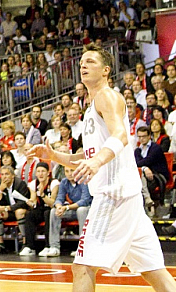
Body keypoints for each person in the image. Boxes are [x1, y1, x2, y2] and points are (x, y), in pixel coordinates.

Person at [29, 44, 176, 292]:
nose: (83, 65)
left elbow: (121, 135)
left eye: (90, 62)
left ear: (106, 70)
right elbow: (86, 155)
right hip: (126, 197)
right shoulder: (91, 107)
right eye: (81, 62)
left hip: (113, 195)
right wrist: (54, 155)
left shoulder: (107, 96)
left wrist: (97, 162)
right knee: (154, 271)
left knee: (83, 267)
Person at [40, 166, 92, 257]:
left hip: (87, 209)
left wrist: (66, 207)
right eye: (67, 171)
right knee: (53, 211)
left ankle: (83, 248)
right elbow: (59, 198)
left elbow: (85, 200)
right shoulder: (64, 182)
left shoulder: (84, 180)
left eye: (72, 170)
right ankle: (54, 247)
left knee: (81, 210)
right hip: (72, 209)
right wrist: (59, 207)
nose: (69, 173)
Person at [18, 162, 59, 256]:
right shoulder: (33, 184)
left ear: (48, 173)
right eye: (38, 171)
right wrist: (30, 202)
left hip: (52, 209)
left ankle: (48, 246)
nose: (40, 174)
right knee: (29, 214)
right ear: (35, 173)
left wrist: (42, 194)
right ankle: (30, 246)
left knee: (48, 213)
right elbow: (33, 201)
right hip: (41, 208)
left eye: (43, 171)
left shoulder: (54, 183)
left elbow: (52, 203)